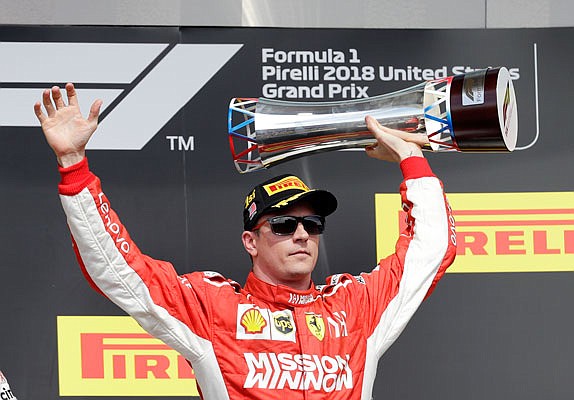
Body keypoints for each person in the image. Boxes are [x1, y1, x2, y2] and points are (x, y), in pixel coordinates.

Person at [35, 83, 456, 400]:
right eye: (284, 225)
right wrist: (73, 166)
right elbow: (119, 271)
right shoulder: (212, 309)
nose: (302, 234)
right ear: (250, 242)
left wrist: (411, 160)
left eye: (313, 225)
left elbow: (430, 251)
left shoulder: (354, 308)